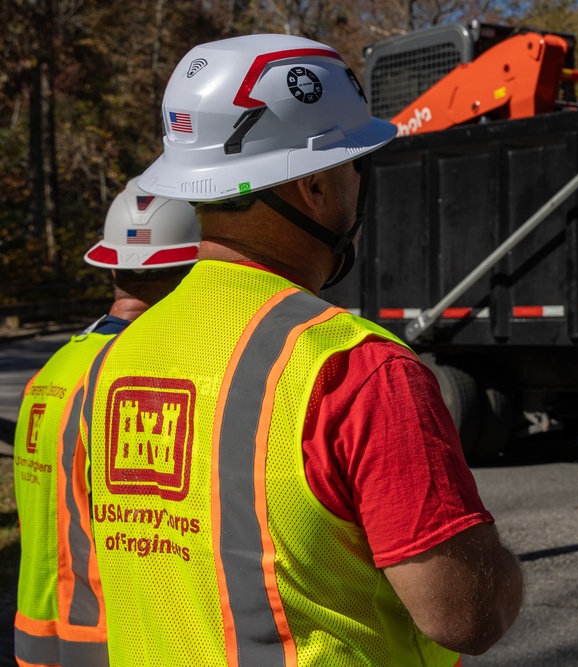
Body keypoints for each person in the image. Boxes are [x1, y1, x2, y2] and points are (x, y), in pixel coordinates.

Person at [80, 33, 523, 666]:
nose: (356, 185)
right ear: (314, 186)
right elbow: (465, 616)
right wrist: (500, 566)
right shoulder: (357, 370)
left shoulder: (116, 358)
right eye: (352, 164)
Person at [13, 178, 200, 667]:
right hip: (110, 640)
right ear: (187, 271)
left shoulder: (55, 367)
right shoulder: (142, 381)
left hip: (38, 635)